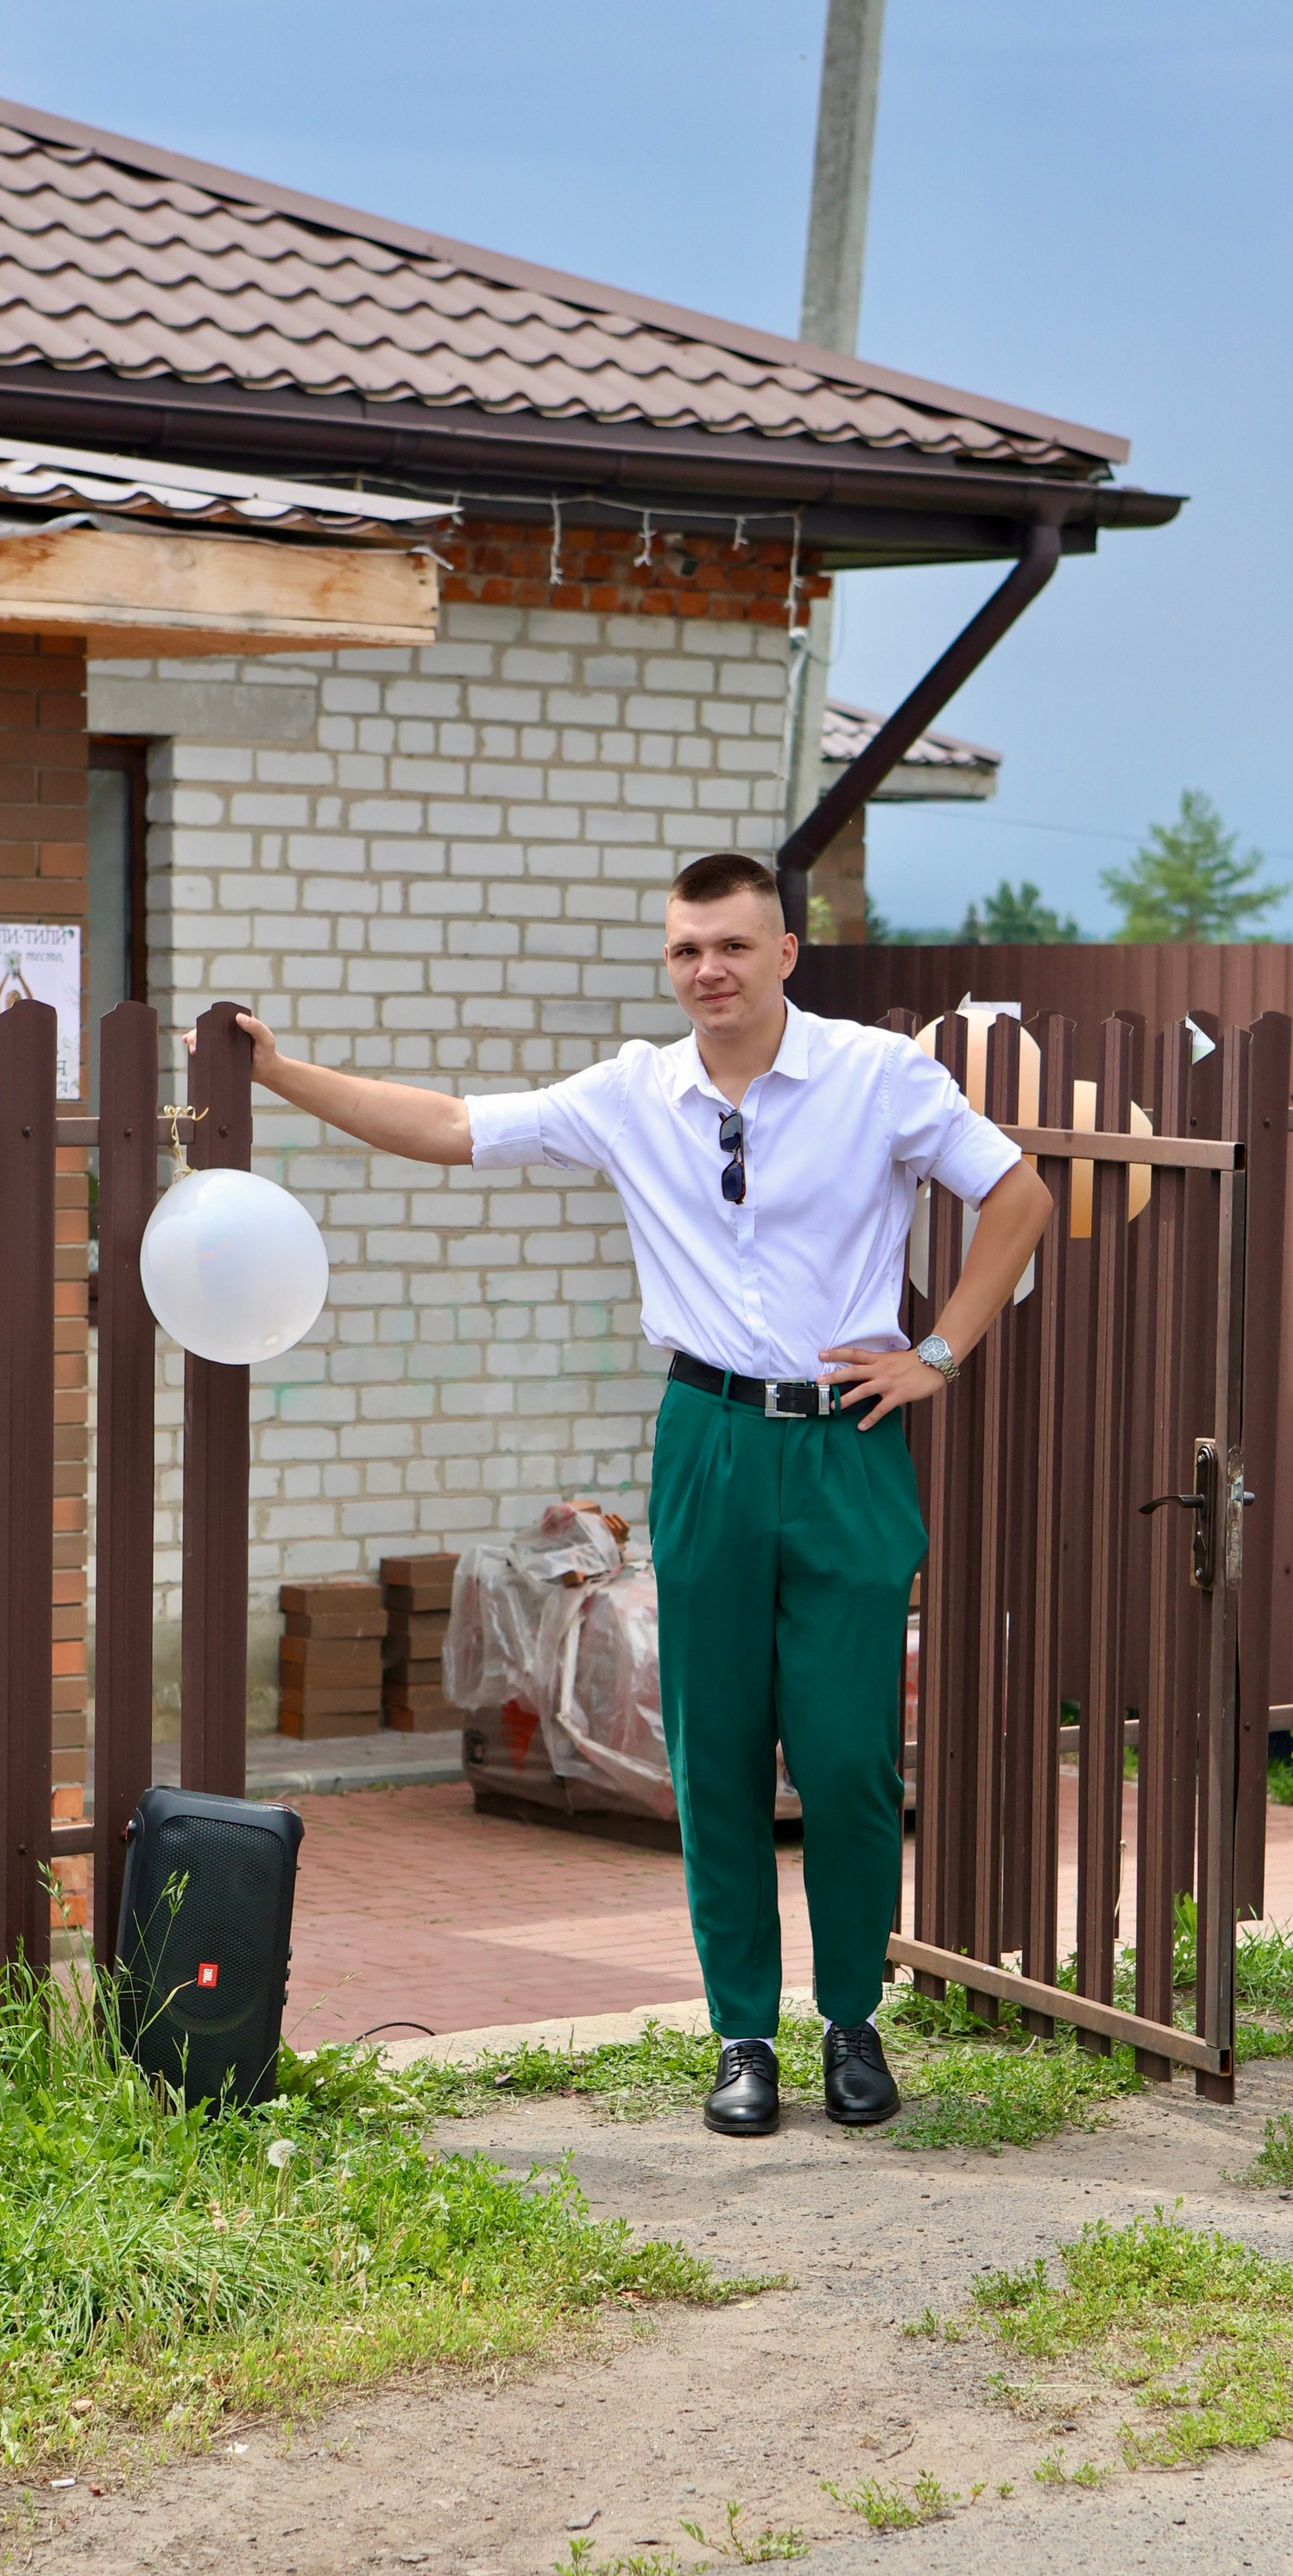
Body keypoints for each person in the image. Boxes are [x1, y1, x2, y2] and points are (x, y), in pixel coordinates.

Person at [218, 851, 1051, 2136]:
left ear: (785, 953)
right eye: (686, 950)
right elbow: (450, 1127)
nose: (709, 970)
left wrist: (937, 1353)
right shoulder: (632, 1093)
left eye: (733, 945)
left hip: (847, 1441)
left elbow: (1018, 1193)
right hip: (709, 1438)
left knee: (846, 1758)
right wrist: (281, 1073)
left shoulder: (878, 1076)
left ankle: (851, 2021)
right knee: (715, 1758)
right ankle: (742, 2038)